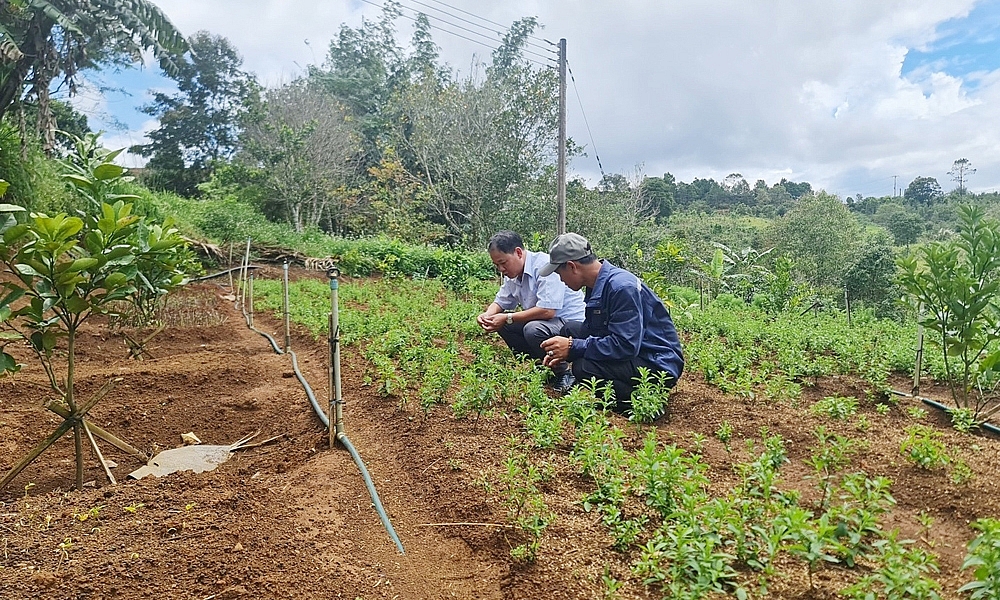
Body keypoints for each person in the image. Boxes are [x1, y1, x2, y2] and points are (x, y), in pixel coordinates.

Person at [539, 232, 684, 414]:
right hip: (639, 351)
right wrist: (566, 350)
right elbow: (594, 331)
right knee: (569, 329)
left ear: (572, 266)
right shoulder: (598, 284)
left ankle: (636, 403)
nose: (560, 280)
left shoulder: (621, 287)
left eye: (559, 273)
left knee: (583, 366)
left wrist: (573, 347)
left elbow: (626, 345)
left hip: (656, 362)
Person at [477, 230, 585, 391]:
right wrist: (487, 315)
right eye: (496, 265)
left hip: (571, 324)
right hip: (548, 323)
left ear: (518, 252)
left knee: (532, 329)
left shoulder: (543, 266)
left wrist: (507, 317)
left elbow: (548, 311)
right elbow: (502, 300)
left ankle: (565, 372)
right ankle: (540, 366)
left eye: (503, 262)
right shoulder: (513, 274)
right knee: (503, 323)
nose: (501, 269)